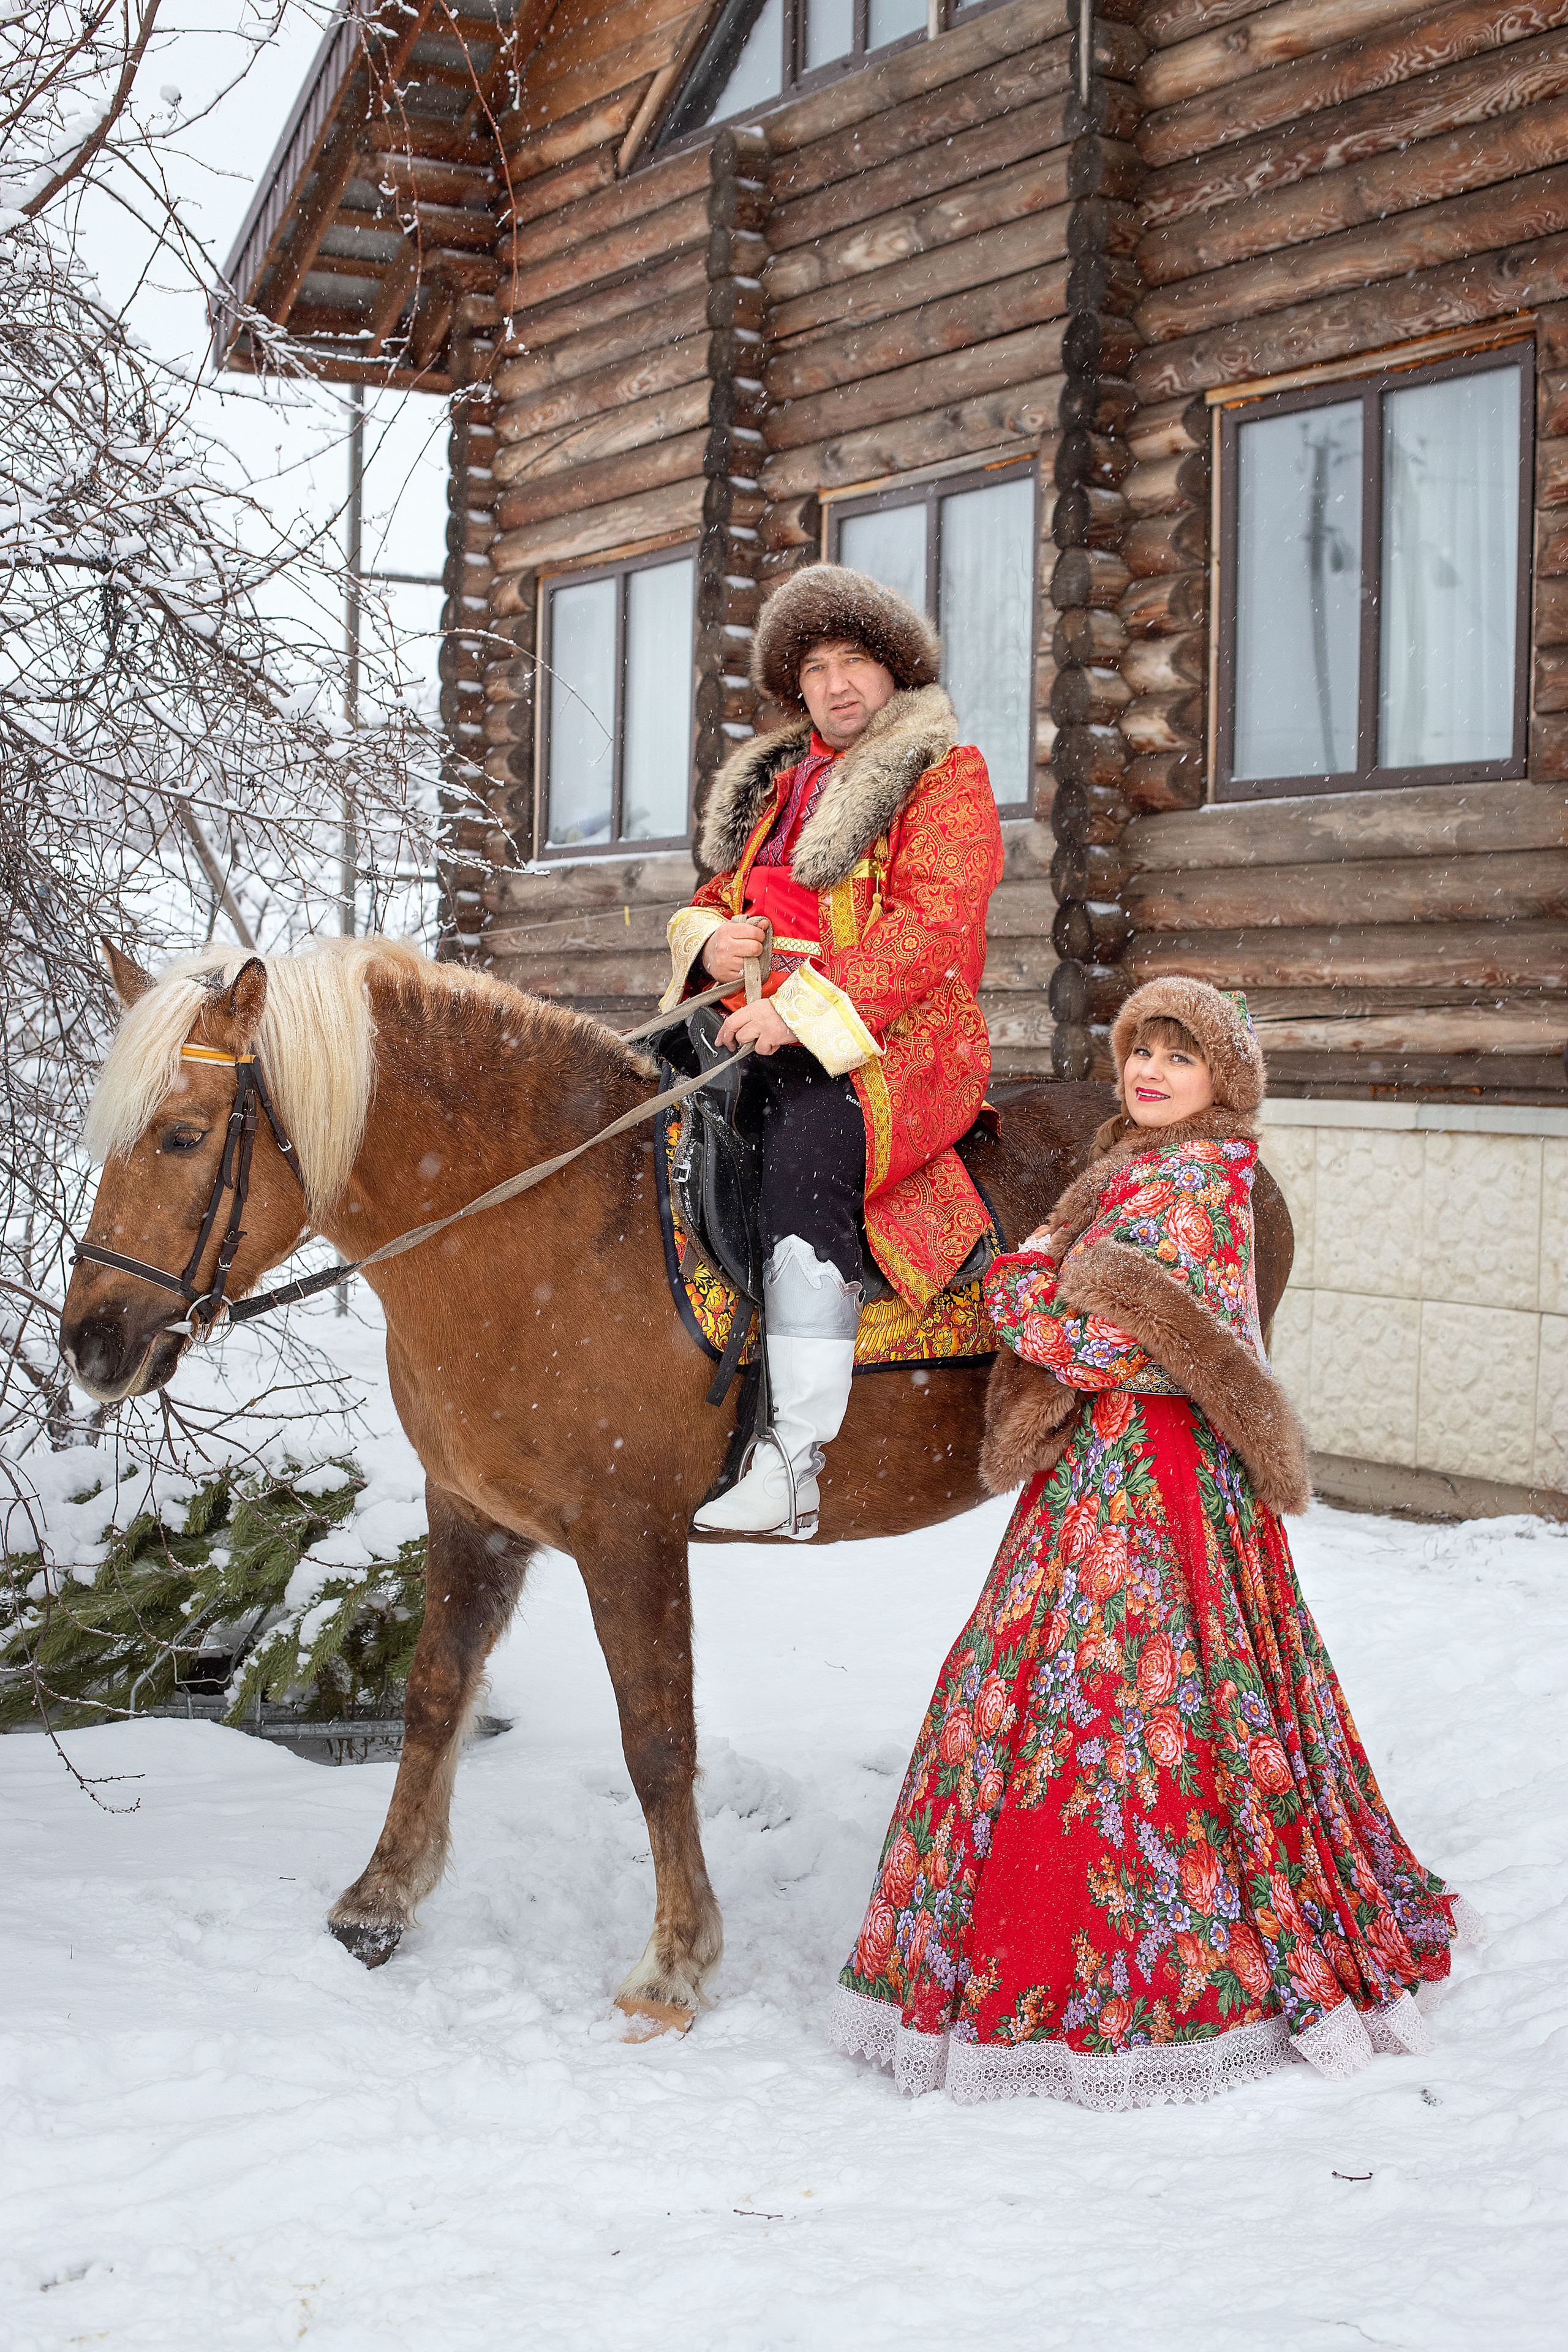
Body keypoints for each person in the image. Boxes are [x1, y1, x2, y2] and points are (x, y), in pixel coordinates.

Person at [829, 977, 1480, 2106]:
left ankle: (1153, 1961)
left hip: (1161, 1477)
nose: (1151, 1073)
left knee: (1151, 1710)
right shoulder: (1117, 1166)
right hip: (1093, 1472)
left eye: (1178, 1059)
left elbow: (1120, 1353)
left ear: (1221, 1081)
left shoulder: (1204, 1184)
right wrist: (1045, 1298)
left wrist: (1044, 1305)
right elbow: (1030, 1279)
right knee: (1039, 1691)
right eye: (1143, 1051)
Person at [661, 564, 1004, 1537]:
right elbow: (719, 898)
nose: (836, 684)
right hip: (755, 1017)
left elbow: (932, 929)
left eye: (855, 661)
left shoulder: (946, 778)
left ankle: (795, 1457)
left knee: (808, 1141)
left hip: (900, 1040)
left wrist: (803, 1011)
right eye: (814, 668)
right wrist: (708, 940)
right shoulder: (780, 786)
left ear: (894, 672)